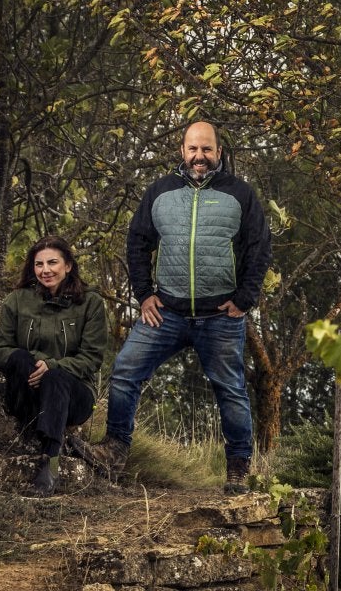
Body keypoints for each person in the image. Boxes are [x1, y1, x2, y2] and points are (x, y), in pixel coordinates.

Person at [93, 120, 272, 493]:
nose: (199, 156)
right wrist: (143, 294)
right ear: (182, 151)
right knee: (125, 372)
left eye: (207, 149)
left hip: (220, 316)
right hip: (167, 313)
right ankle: (115, 450)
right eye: (193, 149)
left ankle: (238, 467)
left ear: (219, 153)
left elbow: (259, 247)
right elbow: (137, 242)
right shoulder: (159, 192)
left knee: (231, 389)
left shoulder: (240, 194)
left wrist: (245, 299)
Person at [0, 236, 110, 497]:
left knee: (56, 376)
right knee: (19, 357)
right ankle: (34, 418)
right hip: (27, 390)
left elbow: (92, 358)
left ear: (68, 266)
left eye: (52, 262)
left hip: (74, 397)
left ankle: (50, 461)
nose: (45, 270)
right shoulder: (17, 300)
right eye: (39, 264)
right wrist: (36, 363)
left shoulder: (91, 303)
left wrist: (52, 365)